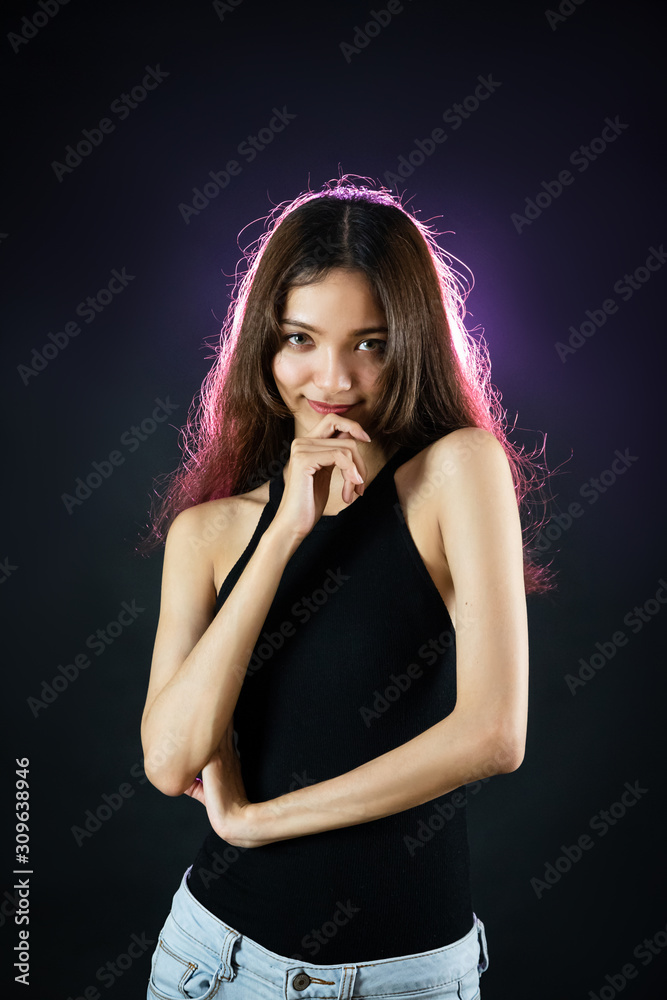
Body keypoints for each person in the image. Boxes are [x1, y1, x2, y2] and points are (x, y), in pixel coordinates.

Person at [138, 176, 554, 1000]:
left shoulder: (456, 472)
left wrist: (257, 820)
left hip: (405, 976)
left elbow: (492, 735)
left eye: (369, 342)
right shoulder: (208, 533)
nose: (331, 378)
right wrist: (287, 527)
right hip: (213, 964)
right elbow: (168, 759)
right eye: (300, 337)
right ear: (264, 341)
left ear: (412, 343)